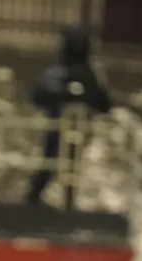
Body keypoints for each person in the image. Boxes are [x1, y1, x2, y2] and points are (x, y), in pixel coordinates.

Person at [27, 25, 113, 208]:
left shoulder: (91, 76)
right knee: (51, 164)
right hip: (58, 128)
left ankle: (64, 204)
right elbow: (39, 95)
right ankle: (34, 200)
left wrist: (84, 92)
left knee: (69, 169)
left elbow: (104, 104)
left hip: (80, 131)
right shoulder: (56, 74)